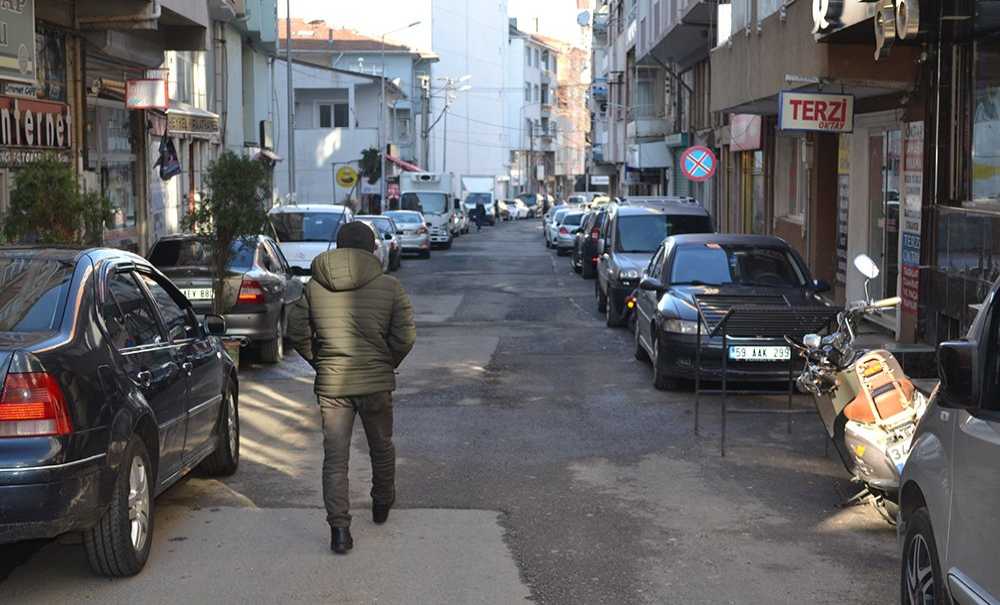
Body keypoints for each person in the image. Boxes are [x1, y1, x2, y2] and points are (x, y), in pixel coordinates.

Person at [287, 222, 416, 555]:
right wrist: (387, 362)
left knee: (335, 458)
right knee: (381, 446)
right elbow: (406, 336)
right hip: (376, 383)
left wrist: (320, 361)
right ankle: (382, 502)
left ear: (338, 247)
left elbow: (296, 330)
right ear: (372, 248)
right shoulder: (390, 286)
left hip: (333, 385)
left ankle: (340, 531)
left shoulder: (315, 287)